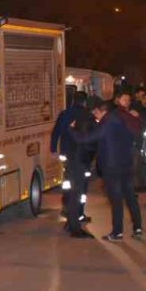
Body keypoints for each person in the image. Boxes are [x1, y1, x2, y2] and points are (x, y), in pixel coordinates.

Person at [77, 99, 143, 242]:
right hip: (126, 163)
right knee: (130, 197)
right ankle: (138, 228)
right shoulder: (122, 119)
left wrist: (70, 131)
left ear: (100, 111)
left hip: (112, 167)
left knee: (116, 200)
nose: (95, 117)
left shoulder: (108, 123)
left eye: (96, 113)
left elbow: (87, 139)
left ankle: (117, 232)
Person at [51, 91, 92, 237]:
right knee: (80, 189)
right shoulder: (86, 115)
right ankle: (77, 214)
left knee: (68, 184)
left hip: (66, 154)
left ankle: (69, 211)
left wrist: (53, 148)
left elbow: (56, 132)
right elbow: (89, 138)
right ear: (85, 102)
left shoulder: (65, 114)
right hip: (81, 157)